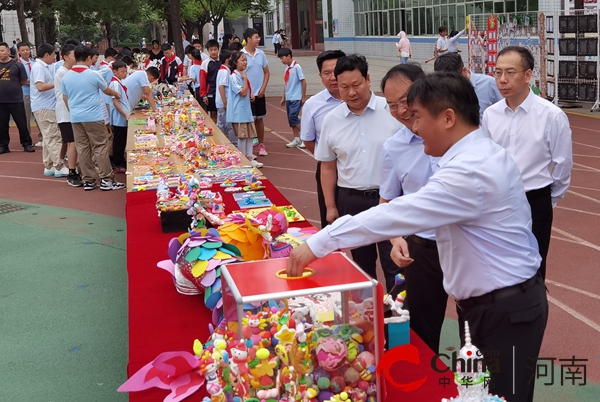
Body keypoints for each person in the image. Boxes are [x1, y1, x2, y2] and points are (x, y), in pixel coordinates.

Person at [287, 72, 548, 402]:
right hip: (491, 304)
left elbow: (396, 213)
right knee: (478, 393)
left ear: (448, 118)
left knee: (500, 397)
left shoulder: (469, 171)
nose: (413, 126)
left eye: (418, 117)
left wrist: (320, 243)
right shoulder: (476, 153)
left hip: (505, 311)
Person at [482, 46, 573, 281]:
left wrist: (547, 199)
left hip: (535, 201)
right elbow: (485, 158)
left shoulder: (551, 115)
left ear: (528, 75)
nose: (502, 80)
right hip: (497, 201)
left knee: (534, 269)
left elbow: (563, 165)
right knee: (497, 267)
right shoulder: (491, 115)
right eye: (498, 72)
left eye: (510, 72)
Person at [378, 63, 447, 352]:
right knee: (423, 327)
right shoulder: (394, 147)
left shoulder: (457, 134)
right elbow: (387, 202)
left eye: (405, 100)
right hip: (424, 248)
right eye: (392, 106)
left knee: (477, 325)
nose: (401, 111)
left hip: (469, 244)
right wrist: (395, 239)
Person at [315, 54, 402, 281]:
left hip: (390, 201)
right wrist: (330, 206)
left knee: (395, 263)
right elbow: (328, 166)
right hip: (352, 200)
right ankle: (371, 310)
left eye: (356, 85)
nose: (351, 92)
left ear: (368, 79)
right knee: (362, 266)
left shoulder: (391, 111)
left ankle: (398, 313)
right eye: (344, 87)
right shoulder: (331, 120)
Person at [61, 45, 125, 191]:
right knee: (100, 147)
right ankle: (106, 179)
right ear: (89, 58)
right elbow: (106, 90)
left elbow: (65, 98)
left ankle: (88, 180)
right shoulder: (93, 74)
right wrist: (116, 94)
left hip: (76, 117)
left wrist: (73, 111)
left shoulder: (67, 76)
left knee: (83, 148)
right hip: (93, 116)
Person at [300, 50, 345, 228]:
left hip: (359, 169)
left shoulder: (359, 99)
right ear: (320, 76)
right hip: (328, 169)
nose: (333, 77)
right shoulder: (313, 104)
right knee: (330, 220)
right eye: (327, 73)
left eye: (337, 71)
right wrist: (327, 158)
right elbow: (308, 140)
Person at [31, 43, 68, 178]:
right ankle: (59, 166)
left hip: (45, 106)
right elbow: (40, 87)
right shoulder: (39, 67)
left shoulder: (43, 66)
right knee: (54, 136)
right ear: (47, 55)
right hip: (44, 106)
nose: (54, 58)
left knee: (48, 137)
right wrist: (56, 83)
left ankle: (49, 165)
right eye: (53, 55)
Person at [434, 52, 502, 121]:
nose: (450, 87)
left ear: (464, 71)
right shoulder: (440, 91)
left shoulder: (490, 84)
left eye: (453, 81)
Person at [226, 52, 263, 168]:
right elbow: (242, 92)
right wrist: (246, 80)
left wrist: (251, 94)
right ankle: (243, 159)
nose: (245, 62)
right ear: (235, 62)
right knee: (242, 136)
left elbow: (246, 92)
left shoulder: (243, 75)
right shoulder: (234, 76)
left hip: (246, 111)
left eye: (246, 60)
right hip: (239, 112)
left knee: (250, 135)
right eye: (242, 60)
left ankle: (250, 157)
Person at [54, 43, 82, 187]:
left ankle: (70, 167)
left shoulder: (68, 71)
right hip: (66, 113)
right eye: (73, 55)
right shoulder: (63, 72)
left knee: (72, 142)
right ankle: (71, 172)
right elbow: (67, 96)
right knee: (72, 142)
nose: (76, 58)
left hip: (71, 112)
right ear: (65, 57)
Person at [0, 42, 35, 154]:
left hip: (16, 99)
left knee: (22, 123)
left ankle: (26, 144)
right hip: (1, 101)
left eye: (2, 50)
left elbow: (23, 81)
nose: (0, 53)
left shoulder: (17, 65)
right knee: (2, 125)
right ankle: (3, 146)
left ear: (9, 51)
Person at [242, 28, 270, 156]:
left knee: (259, 119)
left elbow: (266, 72)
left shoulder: (261, 54)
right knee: (250, 120)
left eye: (259, 37)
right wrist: (247, 91)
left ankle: (261, 144)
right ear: (248, 39)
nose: (258, 39)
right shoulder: (241, 55)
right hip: (247, 94)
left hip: (260, 93)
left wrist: (263, 88)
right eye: (256, 37)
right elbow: (240, 74)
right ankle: (249, 147)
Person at [278, 48, 306, 149]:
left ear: (289, 56)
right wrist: (283, 97)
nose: (281, 60)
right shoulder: (287, 69)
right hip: (289, 97)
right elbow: (286, 84)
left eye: (282, 58)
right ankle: (296, 139)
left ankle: (306, 138)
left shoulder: (297, 67)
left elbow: (303, 81)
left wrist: (303, 97)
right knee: (291, 119)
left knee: (293, 117)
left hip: (296, 97)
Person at [109, 60, 131, 173]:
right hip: (119, 118)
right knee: (119, 141)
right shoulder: (115, 83)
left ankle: (120, 161)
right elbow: (115, 102)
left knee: (121, 140)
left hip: (122, 117)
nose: (125, 73)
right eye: (122, 71)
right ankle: (118, 163)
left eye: (125, 71)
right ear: (115, 71)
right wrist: (125, 114)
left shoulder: (118, 82)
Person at [17, 42, 40, 147]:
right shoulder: (17, 64)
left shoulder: (35, 63)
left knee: (38, 116)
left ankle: (42, 138)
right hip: (24, 93)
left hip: (36, 93)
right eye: (23, 50)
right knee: (25, 117)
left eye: (27, 49)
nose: (26, 52)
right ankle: (27, 139)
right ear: (18, 51)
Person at [215, 49, 236, 146]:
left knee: (221, 124)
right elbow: (221, 86)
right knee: (228, 125)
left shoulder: (222, 70)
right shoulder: (224, 72)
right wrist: (225, 102)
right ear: (227, 60)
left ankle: (222, 143)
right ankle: (233, 144)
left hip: (220, 102)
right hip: (224, 102)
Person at [199, 39, 221, 122]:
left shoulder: (222, 62)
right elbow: (202, 80)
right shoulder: (205, 63)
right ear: (208, 51)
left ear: (218, 49)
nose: (213, 52)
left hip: (222, 91)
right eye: (211, 50)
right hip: (211, 92)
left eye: (215, 49)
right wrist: (204, 95)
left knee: (222, 113)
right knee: (213, 112)